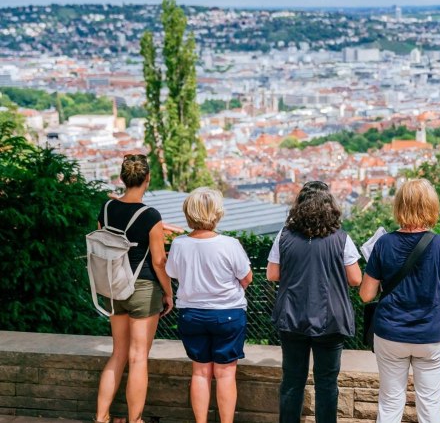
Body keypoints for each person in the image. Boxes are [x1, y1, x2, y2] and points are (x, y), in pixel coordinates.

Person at [359, 178, 440, 423]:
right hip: (432, 334)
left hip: (390, 334)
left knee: (390, 402)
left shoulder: (384, 244)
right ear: (431, 206)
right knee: (429, 405)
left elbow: (366, 295)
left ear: (399, 206)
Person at [267, 181, 363, 423]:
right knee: (327, 384)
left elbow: (272, 274)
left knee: (292, 381)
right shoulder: (342, 239)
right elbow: (355, 279)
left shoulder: (284, 236)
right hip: (330, 319)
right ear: (330, 206)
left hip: (292, 317)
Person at [94, 154, 174, 423]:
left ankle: (102, 417)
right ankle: (135, 420)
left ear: (122, 179)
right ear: (147, 179)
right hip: (142, 288)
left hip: (113, 286)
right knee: (138, 357)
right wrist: (169, 293)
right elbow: (159, 262)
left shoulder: (106, 209)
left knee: (118, 353)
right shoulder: (150, 216)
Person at [166, 187, 253, 423]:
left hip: (191, 313)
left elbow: (173, 273)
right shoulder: (230, 244)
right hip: (228, 313)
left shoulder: (179, 244)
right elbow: (247, 278)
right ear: (217, 213)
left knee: (200, 372)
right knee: (225, 375)